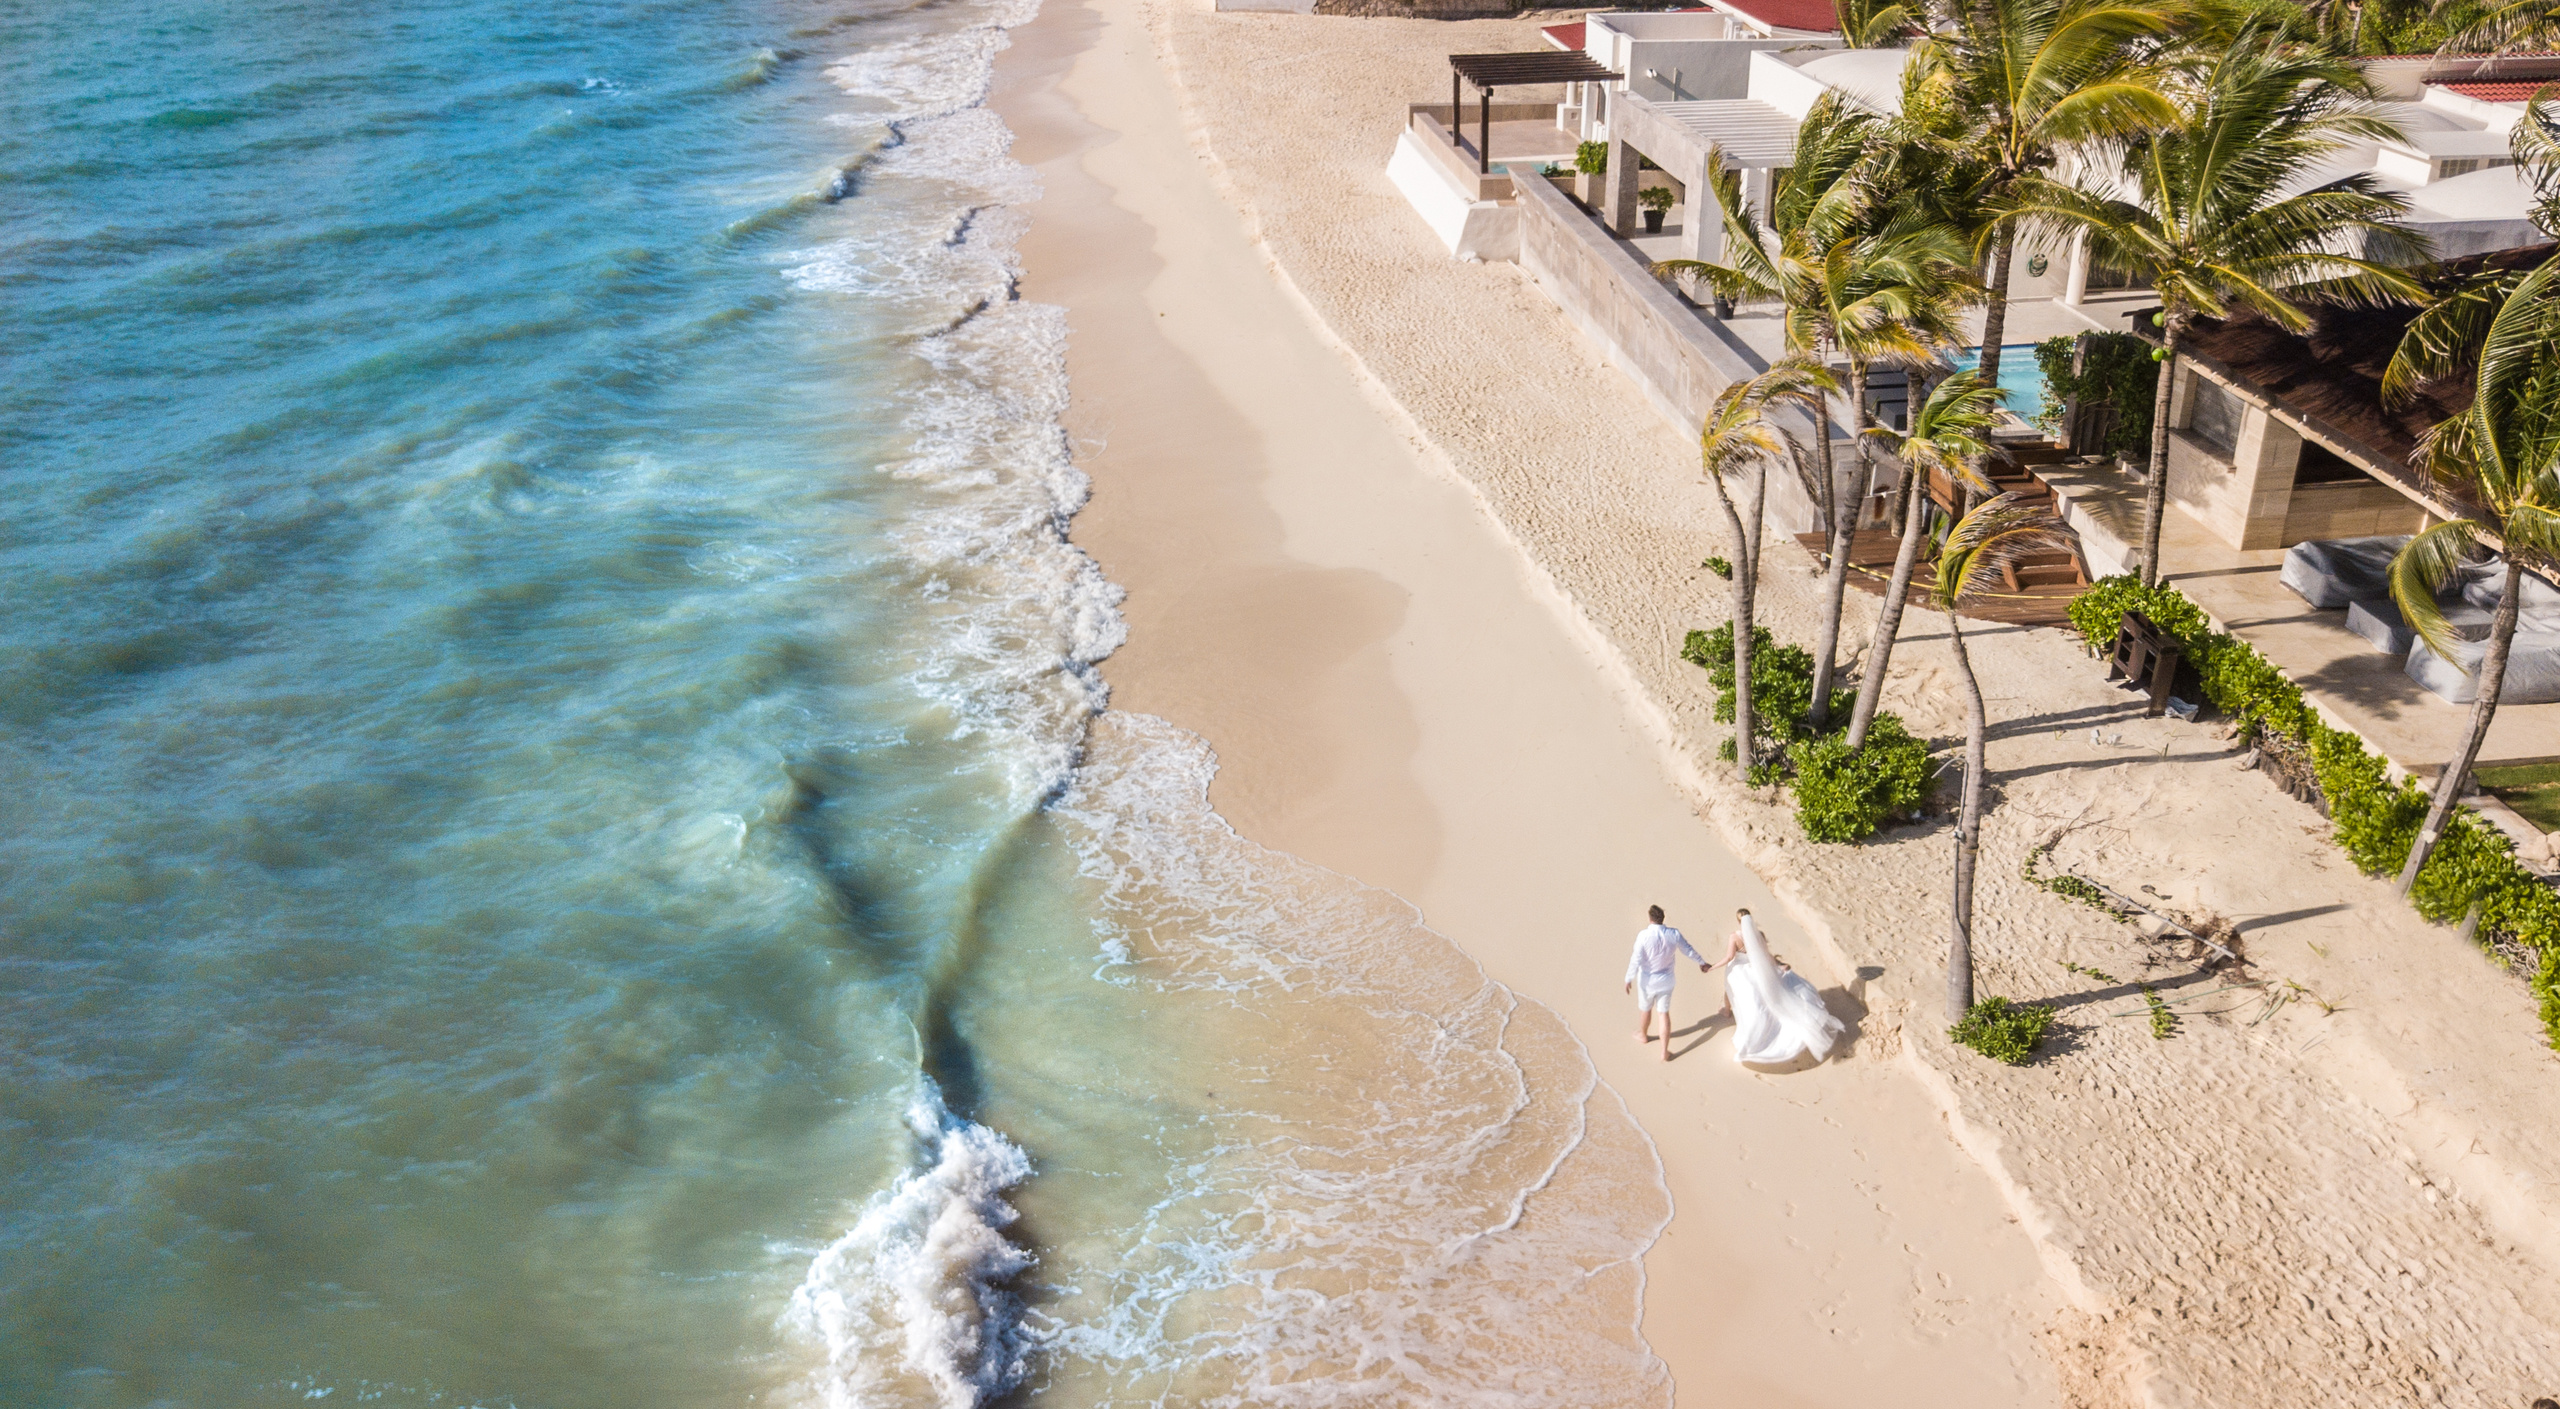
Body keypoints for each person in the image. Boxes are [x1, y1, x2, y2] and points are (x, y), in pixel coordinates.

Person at [1714, 908, 1847, 1065]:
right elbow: (1766, 955)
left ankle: (1727, 1011)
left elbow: (1729, 957)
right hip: (1759, 969)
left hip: (1741, 969)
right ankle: (1727, 1008)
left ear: (1738, 921)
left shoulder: (1734, 936)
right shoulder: (1759, 935)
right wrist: (1779, 964)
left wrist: (1712, 967)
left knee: (1731, 985)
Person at [1624, 904, 1710, 1062]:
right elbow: (1688, 950)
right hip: (1667, 980)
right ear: (1662, 919)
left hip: (1647, 980)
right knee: (1663, 1013)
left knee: (1645, 1009)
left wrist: (1629, 978)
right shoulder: (1673, 934)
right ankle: (1664, 1051)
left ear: (1650, 919)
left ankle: (1643, 1034)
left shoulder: (1643, 935)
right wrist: (1701, 962)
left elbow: (1636, 959)